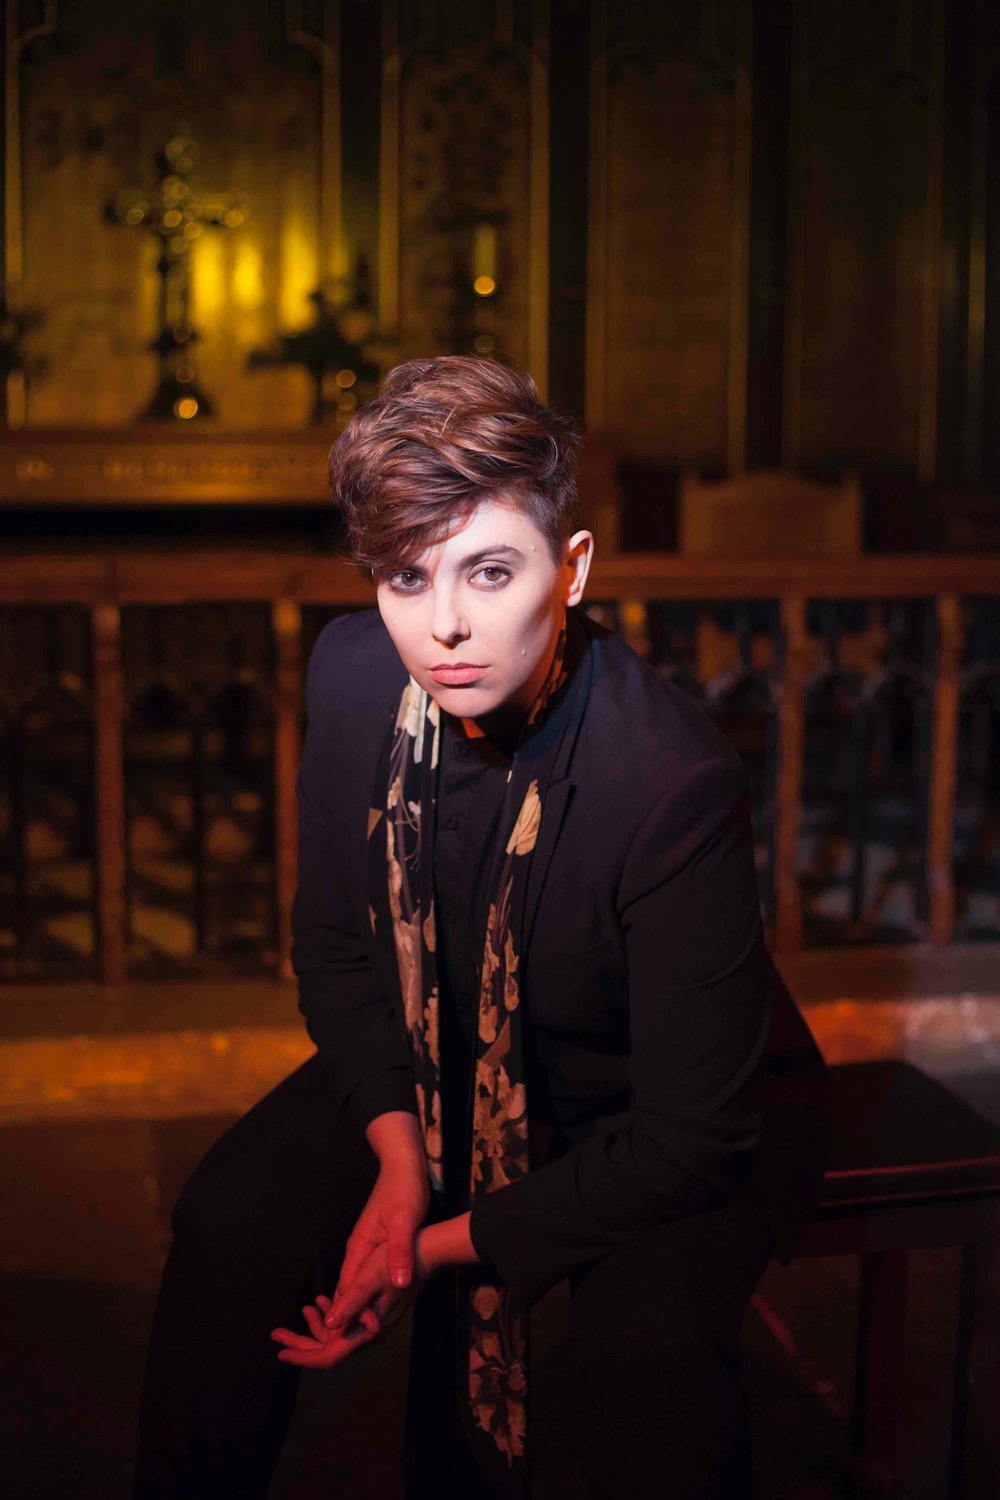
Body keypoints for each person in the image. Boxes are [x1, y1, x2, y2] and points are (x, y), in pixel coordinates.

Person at [132, 356, 832, 1499]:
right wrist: (399, 1161)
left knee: (643, 1357)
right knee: (228, 1220)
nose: (444, 626)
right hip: (439, 1051)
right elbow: (336, 947)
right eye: (406, 577)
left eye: (491, 571)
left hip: (643, 1110)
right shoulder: (353, 675)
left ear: (573, 568)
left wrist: (427, 1247)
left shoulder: (669, 778)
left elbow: (689, 1137)